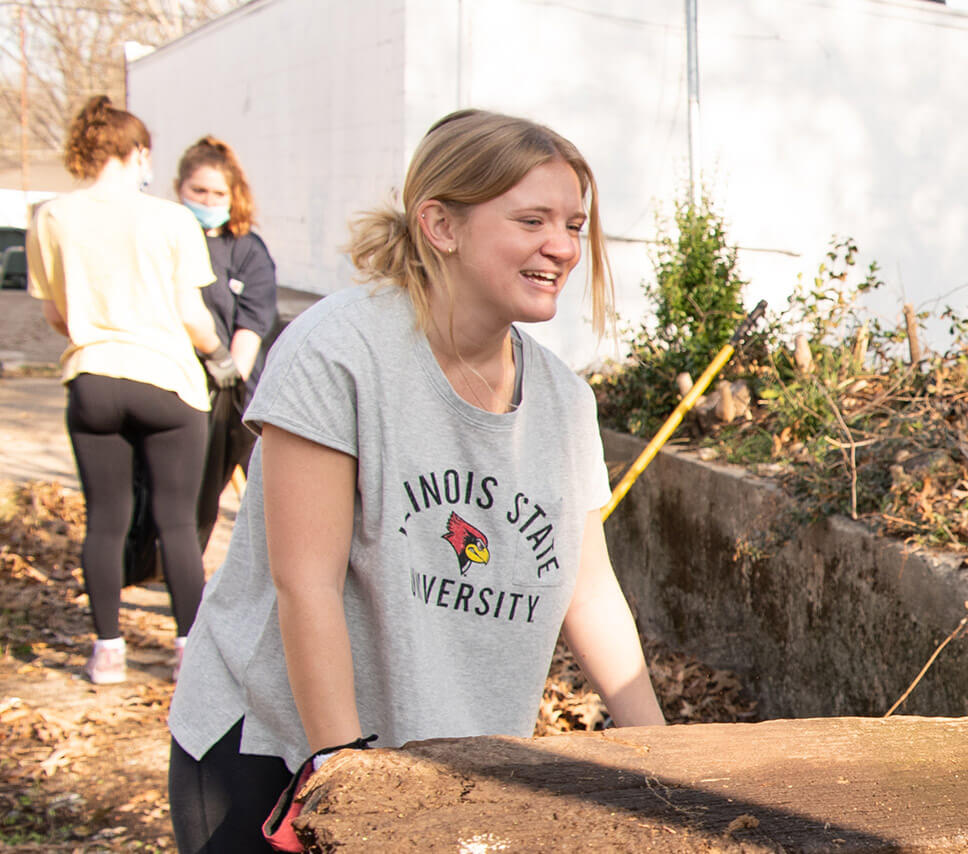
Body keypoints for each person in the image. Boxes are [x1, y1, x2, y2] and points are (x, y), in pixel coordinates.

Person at [166, 110, 667, 852]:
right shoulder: (340, 352)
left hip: (455, 766)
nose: (562, 247)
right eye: (532, 219)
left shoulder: (565, 400)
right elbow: (306, 584)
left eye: (573, 223)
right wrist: (346, 781)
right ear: (440, 224)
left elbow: (588, 592)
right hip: (275, 753)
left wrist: (666, 761)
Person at [27, 96, 236, 685]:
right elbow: (192, 315)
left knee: (105, 518)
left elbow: (55, 314)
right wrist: (218, 355)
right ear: (139, 152)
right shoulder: (169, 219)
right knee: (177, 519)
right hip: (167, 380)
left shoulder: (53, 216)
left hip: (92, 377)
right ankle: (189, 649)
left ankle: (107, 650)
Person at [175, 136, 278, 549]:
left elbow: (250, 329)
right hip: (181, 388)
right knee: (192, 504)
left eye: (218, 193)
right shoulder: (172, 240)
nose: (208, 200)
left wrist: (229, 377)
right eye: (198, 191)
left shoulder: (248, 250)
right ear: (179, 188)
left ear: (234, 196)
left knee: (268, 504)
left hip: (235, 393)